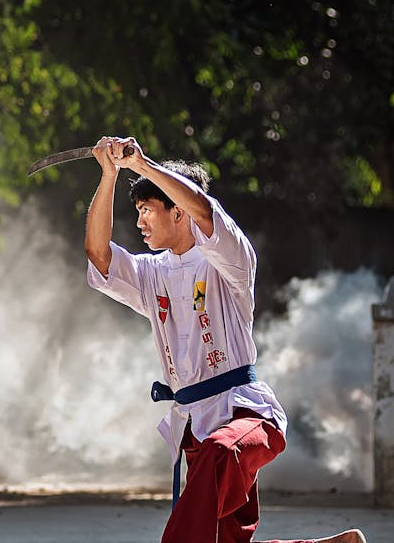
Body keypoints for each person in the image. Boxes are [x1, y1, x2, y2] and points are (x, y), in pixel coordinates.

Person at [84, 136, 365, 543]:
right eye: (138, 211)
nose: (140, 221)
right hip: (194, 429)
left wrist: (143, 165)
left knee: (221, 452)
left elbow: (204, 211)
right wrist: (109, 175)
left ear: (178, 211)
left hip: (244, 415)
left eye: (147, 209)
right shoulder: (150, 273)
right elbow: (98, 255)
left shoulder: (228, 258)